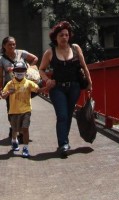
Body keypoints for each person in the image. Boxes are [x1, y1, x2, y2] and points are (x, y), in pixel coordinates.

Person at [37, 20, 94, 158]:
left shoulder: (75, 48)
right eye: (61, 35)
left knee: (68, 115)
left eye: (66, 35)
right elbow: (41, 69)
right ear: (55, 37)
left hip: (74, 87)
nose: (64, 37)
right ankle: (63, 144)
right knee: (62, 115)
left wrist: (89, 83)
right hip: (57, 89)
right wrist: (47, 80)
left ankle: (64, 140)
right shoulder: (50, 52)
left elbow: (84, 66)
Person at [0, 35, 38, 142]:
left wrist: (28, 68)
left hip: (24, 87)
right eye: (9, 44)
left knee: (24, 109)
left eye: (13, 44)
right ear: (4, 46)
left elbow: (35, 58)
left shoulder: (21, 53)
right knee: (11, 109)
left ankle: (21, 132)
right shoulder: (1, 59)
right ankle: (14, 127)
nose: (12, 46)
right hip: (10, 88)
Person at [0, 60, 40, 157]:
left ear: (26, 71)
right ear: (14, 72)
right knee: (15, 129)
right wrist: (9, 92)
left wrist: (47, 87)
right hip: (14, 111)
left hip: (26, 110)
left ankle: (25, 148)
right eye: (17, 70)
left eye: (22, 70)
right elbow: (3, 96)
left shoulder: (29, 83)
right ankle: (14, 140)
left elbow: (38, 90)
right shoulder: (10, 83)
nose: (20, 72)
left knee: (25, 129)